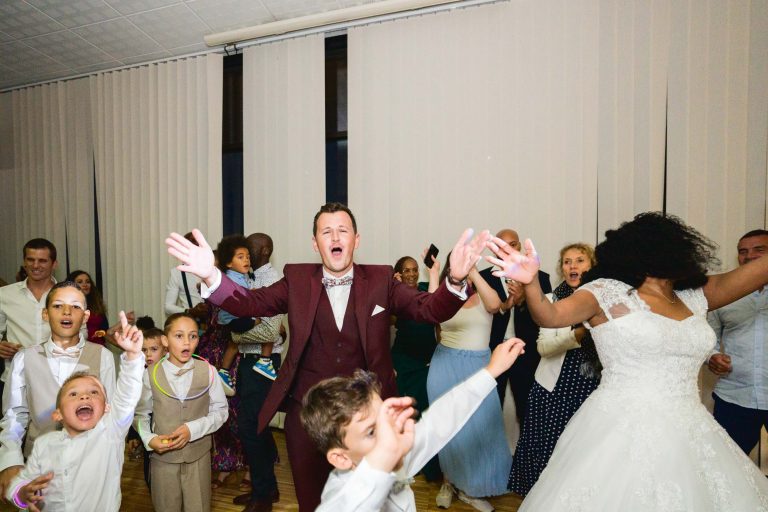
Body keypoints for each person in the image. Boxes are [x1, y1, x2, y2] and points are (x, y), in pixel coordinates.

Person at [165, 202, 488, 512]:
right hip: (306, 414)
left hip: (367, 417)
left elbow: (428, 309)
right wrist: (211, 276)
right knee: (311, 500)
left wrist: (456, 280)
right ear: (315, 242)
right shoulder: (296, 278)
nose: (335, 237)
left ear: (356, 240)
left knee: (374, 496)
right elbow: (249, 303)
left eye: (343, 231)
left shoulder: (380, 279)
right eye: (326, 232)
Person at [487, 212, 768, 510]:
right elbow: (550, 315)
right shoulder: (605, 292)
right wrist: (530, 283)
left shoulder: (696, 295)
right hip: (621, 427)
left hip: (691, 430)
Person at [302, 338, 526, 512]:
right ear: (341, 458)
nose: (388, 433)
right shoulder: (341, 495)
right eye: (371, 431)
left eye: (384, 417)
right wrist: (385, 455)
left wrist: (491, 371)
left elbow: (441, 418)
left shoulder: (395, 449)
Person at [5, 312, 144, 512]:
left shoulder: (109, 435)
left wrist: (133, 357)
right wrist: (20, 495)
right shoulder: (44, 445)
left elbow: (127, 397)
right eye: (73, 394)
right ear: (58, 413)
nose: (84, 397)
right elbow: (21, 486)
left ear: (106, 407)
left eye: (94, 392)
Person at [0, 281, 117, 499]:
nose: (66, 311)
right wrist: (10, 460)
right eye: (58, 306)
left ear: (85, 316)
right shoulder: (25, 358)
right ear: (45, 314)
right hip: (39, 467)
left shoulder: (103, 357)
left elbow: (109, 416)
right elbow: (15, 415)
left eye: (75, 306)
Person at [508, 243, 599, 496]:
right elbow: (544, 348)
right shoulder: (550, 300)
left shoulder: (602, 302)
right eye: (567, 261)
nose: (573, 266)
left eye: (580, 260)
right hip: (554, 392)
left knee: (582, 455)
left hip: (592, 389)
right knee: (547, 454)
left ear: (591, 265)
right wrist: (578, 335)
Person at [426, 255, 511, 512]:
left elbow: (496, 305)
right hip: (444, 365)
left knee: (480, 430)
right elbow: (429, 311)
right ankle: (449, 483)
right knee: (447, 429)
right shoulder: (445, 295)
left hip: (478, 367)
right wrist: (434, 274)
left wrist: (474, 272)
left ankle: (473, 489)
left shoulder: (484, 293)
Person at [133, 312, 228, 512]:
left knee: (199, 506)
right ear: (165, 340)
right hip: (163, 460)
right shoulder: (149, 375)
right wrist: (149, 439)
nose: (187, 342)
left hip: (199, 458)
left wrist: (192, 430)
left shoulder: (208, 371)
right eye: (179, 336)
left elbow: (220, 411)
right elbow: (140, 415)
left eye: (192, 336)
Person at [230, 232, 285, 508]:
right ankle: (265, 488)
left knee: (253, 428)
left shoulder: (270, 280)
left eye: (250, 246)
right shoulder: (250, 277)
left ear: (263, 250)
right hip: (249, 362)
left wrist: (236, 339)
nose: (245, 251)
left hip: (263, 366)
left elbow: (273, 331)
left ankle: (263, 496)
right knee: (251, 428)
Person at [479, 229, 551, 421]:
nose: (509, 249)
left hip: (527, 352)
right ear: (495, 249)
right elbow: (481, 315)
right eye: (503, 245)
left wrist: (522, 301)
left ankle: (527, 451)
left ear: (519, 246)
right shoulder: (483, 278)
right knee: (491, 407)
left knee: (527, 408)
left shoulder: (541, 278)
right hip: (494, 350)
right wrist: (507, 304)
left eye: (513, 244)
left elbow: (546, 318)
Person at [707, 229, 768, 454]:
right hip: (734, 398)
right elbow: (706, 338)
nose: (749, 256)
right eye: (743, 251)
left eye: (759, 250)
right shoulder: (721, 293)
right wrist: (711, 356)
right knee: (727, 469)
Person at [390, 254, 440, 482]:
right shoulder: (394, 294)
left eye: (414, 270)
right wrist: (395, 287)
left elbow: (434, 306)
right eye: (406, 270)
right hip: (404, 360)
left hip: (426, 360)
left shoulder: (423, 288)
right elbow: (387, 319)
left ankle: (427, 464)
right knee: (406, 414)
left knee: (425, 413)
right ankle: (407, 460)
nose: (411, 274)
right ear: (399, 273)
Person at [66, 270, 135, 347]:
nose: (85, 284)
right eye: (80, 282)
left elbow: (105, 332)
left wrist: (123, 322)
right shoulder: (66, 306)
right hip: (76, 349)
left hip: (99, 349)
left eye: (87, 282)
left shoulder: (96, 305)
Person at [165, 232, 208, 322]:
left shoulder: (212, 269)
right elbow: (168, 307)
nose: (194, 245)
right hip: (192, 322)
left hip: (215, 325)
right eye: (190, 243)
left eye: (197, 243)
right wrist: (189, 311)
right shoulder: (177, 273)